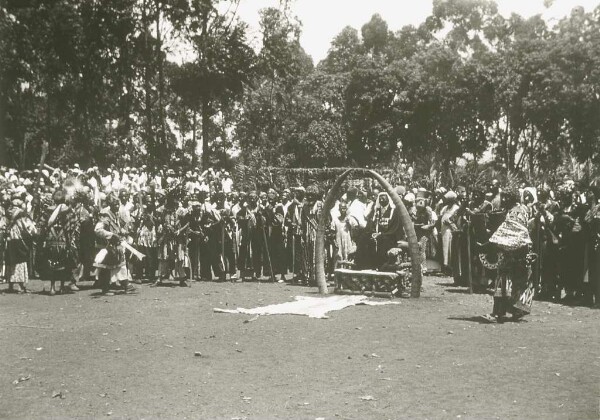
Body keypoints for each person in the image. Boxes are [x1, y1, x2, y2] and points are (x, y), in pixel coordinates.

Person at [482, 188, 534, 322]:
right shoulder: (521, 209)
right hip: (521, 249)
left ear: (514, 198)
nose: (503, 200)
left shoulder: (515, 212)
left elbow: (510, 230)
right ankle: (517, 310)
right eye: (503, 197)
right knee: (519, 280)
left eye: (506, 197)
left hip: (514, 250)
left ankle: (498, 313)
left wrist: (490, 243)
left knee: (503, 278)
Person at [94, 195, 135, 296]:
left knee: (119, 264)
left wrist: (123, 232)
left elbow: (117, 226)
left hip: (116, 245)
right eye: (115, 204)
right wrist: (111, 235)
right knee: (105, 267)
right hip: (107, 245)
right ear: (110, 205)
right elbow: (98, 230)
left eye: (118, 204)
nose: (117, 206)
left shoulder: (116, 214)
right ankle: (107, 288)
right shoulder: (105, 215)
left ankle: (125, 284)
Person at [5, 200, 37, 293]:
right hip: (19, 239)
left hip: (10, 239)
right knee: (21, 259)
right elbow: (27, 226)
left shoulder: (8, 212)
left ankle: (10, 285)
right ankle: (20, 286)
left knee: (10, 260)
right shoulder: (21, 213)